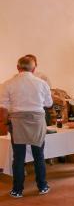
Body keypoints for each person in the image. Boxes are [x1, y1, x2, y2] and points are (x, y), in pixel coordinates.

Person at [0, 56, 53, 198]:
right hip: (37, 121)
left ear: (18, 67)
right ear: (34, 68)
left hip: (17, 121)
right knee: (38, 155)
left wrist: (4, 123)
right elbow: (48, 104)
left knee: (18, 157)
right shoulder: (42, 83)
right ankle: (42, 186)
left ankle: (17, 190)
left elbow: (3, 107)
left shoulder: (8, 84)